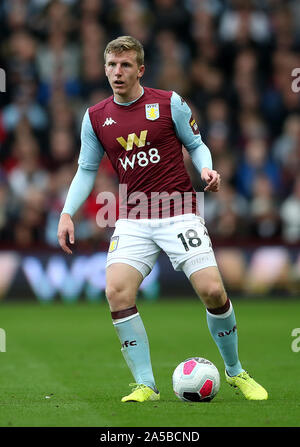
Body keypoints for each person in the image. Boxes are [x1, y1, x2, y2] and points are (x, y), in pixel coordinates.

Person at [57, 36, 268, 402]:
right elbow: (86, 169)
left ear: (141, 69)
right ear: (104, 68)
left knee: (213, 290)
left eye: (125, 65)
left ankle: (235, 372)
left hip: (179, 212)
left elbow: (197, 145)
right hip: (133, 217)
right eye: (111, 65)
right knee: (116, 291)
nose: (117, 72)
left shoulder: (169, 103)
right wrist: (66, 213)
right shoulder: (95, 117)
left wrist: (207, 171)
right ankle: (146, 386)